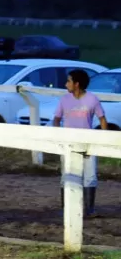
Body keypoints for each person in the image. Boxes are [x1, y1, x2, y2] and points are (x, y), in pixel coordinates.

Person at [52, 69, 108, 217]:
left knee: (90, 176)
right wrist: (58, 135)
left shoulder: (92, 99)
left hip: (88, 142)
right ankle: (66, 208)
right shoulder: (64, 100)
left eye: (69, 81)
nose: (66, 84)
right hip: (68, 142)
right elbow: (57, 118)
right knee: (67, 175)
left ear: (77, 84)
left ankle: (89, 209)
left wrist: (104, 140)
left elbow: (102, 119)